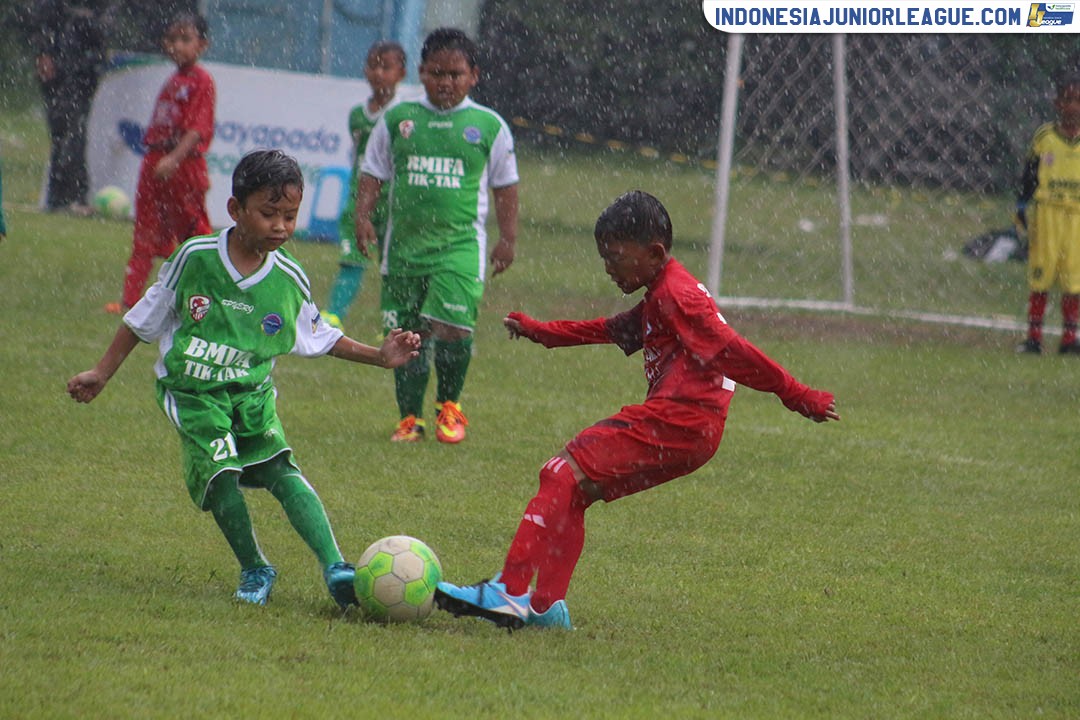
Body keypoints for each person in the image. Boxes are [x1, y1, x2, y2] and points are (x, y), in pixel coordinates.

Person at [435, 191, 840, 630]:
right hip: (692, 430)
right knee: (575, 490)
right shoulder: (661, 292)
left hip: (681, 419)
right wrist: (543, 332)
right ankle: (545, 607)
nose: (608, 267)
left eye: (614, 257)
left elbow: (735, 352)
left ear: (654, 252)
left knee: (559, 472)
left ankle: (508, 591)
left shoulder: (678, 296)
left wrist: (797, 394)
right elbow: (613, 330)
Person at [68, 149, 422, 607]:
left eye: (290, 216)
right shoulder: (195, 258)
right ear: (235, 210)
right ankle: (256, 567)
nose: (280, 226)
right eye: (268, 213)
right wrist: (101, 372)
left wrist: (379, 356)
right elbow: (143, 318)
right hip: (194, 394)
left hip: (252, 395)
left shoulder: (289, 278)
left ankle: (336, 566)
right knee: (220, 476)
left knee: (281, 469)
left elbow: (322, 337)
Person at [355, 27, 519, 444]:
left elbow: (506, 185)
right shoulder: (398, 119)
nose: (446, 82)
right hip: (404, 248)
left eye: (455, 74)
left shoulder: (489, 125)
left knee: (453, 326)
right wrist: (363, 217)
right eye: (436, 73)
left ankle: (450, 405)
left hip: (460, 247)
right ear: (422, 73)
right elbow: (373, 171)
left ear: (474, 76)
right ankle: (409, 419)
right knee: (408, 334)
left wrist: (508, 239)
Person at [105, 11, 215, 315]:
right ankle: (130, 302)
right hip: (156, 160)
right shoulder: (174, 79)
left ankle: (208, 296)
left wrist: (174, 158)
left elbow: (197, 130)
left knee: (194, 234)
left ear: (202, 44)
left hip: (182, 164)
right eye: (171, 39)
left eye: (184, 39)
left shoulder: (202, 81)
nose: (176, 46)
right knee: (146, 231)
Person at [322, 40, 407, 333]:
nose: (378, 73)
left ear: (402, 73)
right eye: (373, 65)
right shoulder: (357, 115)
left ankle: (394, 322)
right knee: (351, 259)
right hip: (359, 200)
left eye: (386, 67)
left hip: (393, 203)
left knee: (394, 267)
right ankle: (332, 318)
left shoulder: (404, 116)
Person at [1016, 75, 1080, 355]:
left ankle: (1069, 340)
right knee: (1041, 276)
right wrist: (1021, 205)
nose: (1073, 106)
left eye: (1078, 100)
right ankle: (1034, 338)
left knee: (1074, 279)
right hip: (1048, 214)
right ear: (1057, 103)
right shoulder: (1045, 137)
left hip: (1077, 216)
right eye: (1068, 99)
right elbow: (1029, 175)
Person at [30, 0, 108, 214]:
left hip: (84, 64)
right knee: (65, 131)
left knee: (73, 130)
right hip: (65, 63)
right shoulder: (56, 17)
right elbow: (44, 16)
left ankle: (68, 196)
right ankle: (65, 196)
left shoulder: (89, 21)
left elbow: (104, 21)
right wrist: (45, 51)